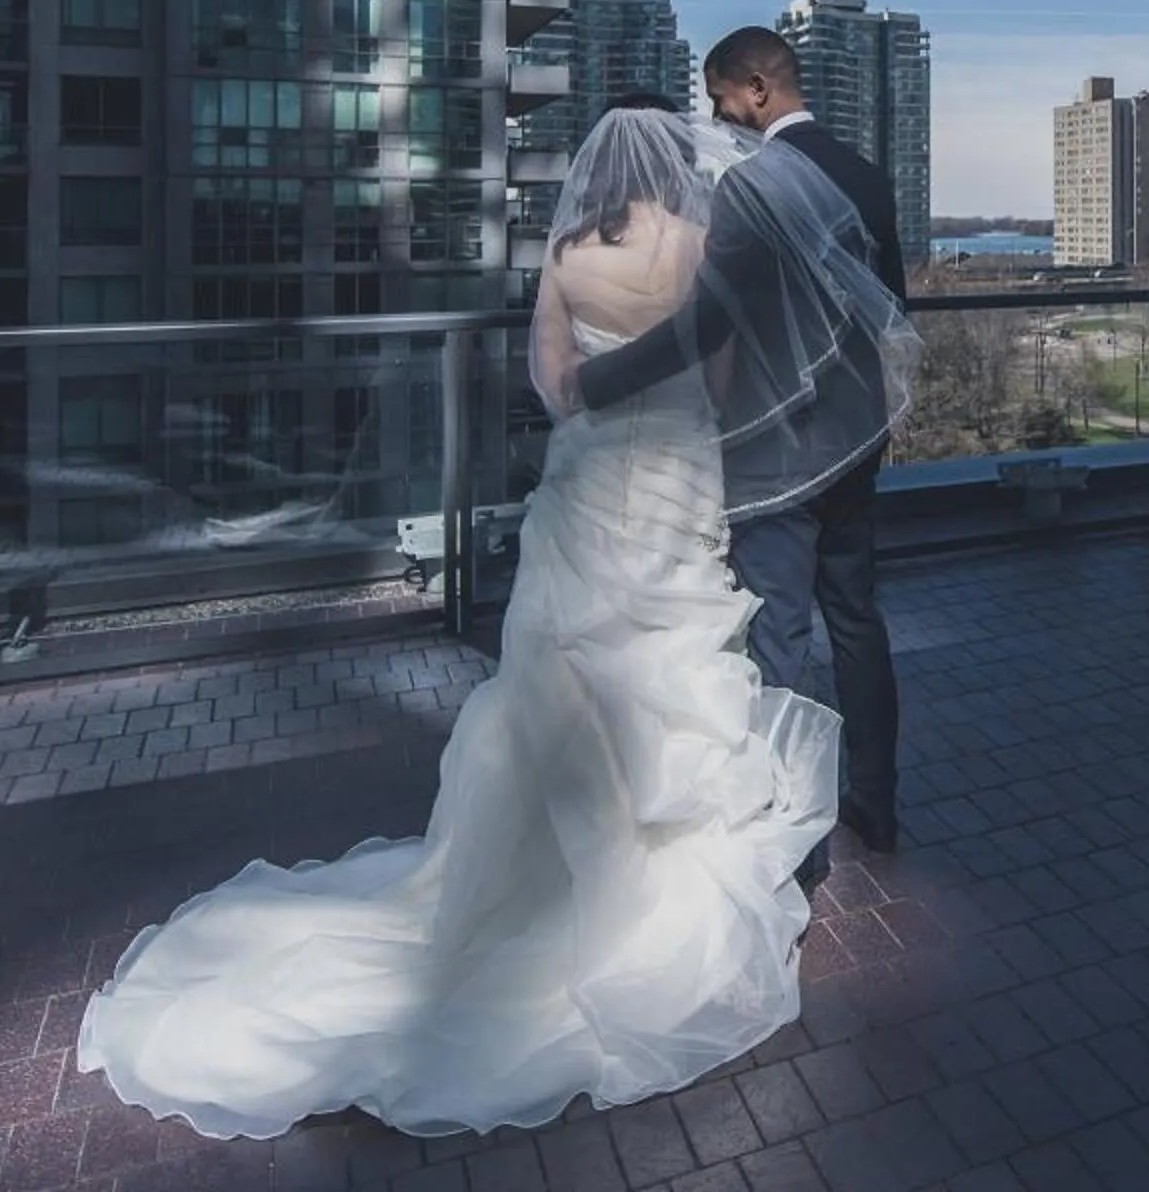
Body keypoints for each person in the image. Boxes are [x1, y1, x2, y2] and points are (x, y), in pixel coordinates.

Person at [74, 105, 914, 1139]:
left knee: (555, 674)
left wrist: (604, 390)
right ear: (673, 172)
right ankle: (655, 859)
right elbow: (724, 377)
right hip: (678, 482)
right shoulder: (701, 245)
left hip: (591, 481)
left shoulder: (564, 253)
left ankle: (534, 874)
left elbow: (558, 385)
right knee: (680, 658)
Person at [550, 29, 909, 885]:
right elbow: (890, 307)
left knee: (780, 639)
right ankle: (878, 802)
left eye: (718, 101)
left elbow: (707, 325)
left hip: (775, 455)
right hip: (854, 448)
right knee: (857, 623)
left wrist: (600, 380)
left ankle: (801, 844)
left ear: (755, 88)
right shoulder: (866, 174)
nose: (716, 121)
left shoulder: (750, 190)